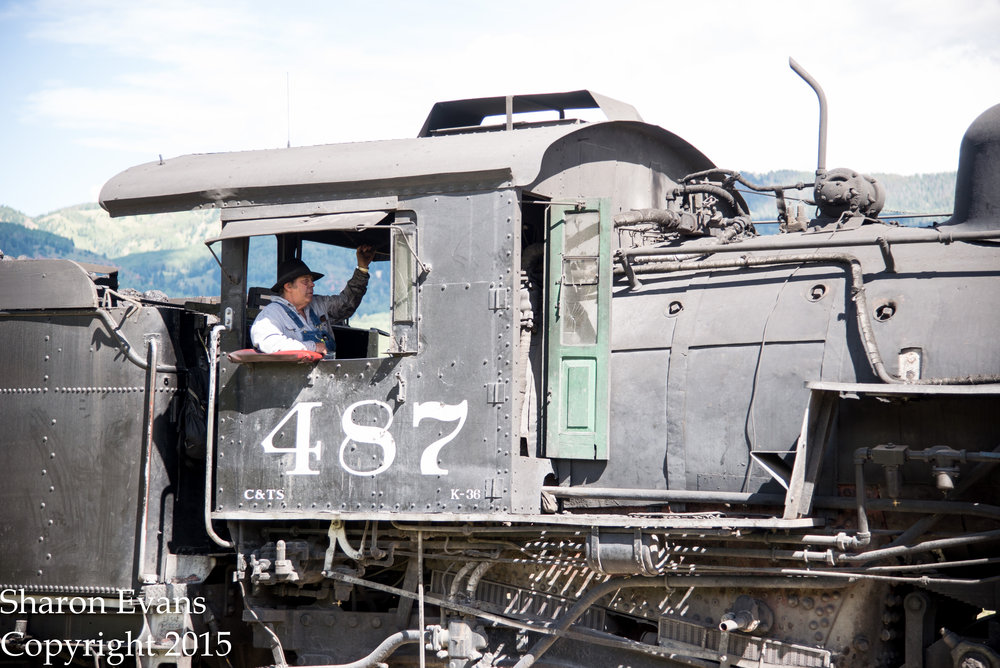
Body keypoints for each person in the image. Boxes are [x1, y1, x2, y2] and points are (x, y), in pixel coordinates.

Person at [250, 245, 376, 356]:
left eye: (311, 280)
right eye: (306, 281)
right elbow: (269, 343)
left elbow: (347, 303)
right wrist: (312, 347)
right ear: (288, 286)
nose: (312, 285)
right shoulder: (271, 314)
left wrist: (362, 269)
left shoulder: (318, 305)